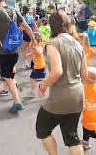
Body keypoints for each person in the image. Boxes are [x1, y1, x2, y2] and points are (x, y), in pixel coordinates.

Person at [36, 11, 87, 155]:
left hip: (60, 97)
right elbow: (84, 75)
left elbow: (57, 71)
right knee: (71, 137)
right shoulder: (77, 43)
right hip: (77, 95)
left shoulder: (54, 42)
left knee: (42, 128)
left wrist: (43, 86)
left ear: (52, 25)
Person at [0, 0, 36, 113]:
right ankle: (7, 101)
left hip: (1, 52)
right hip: (13, 51)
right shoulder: (14, 11)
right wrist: (33, 40)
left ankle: (1, 101)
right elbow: (27, 27)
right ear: (4, 0)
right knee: (1, 74)